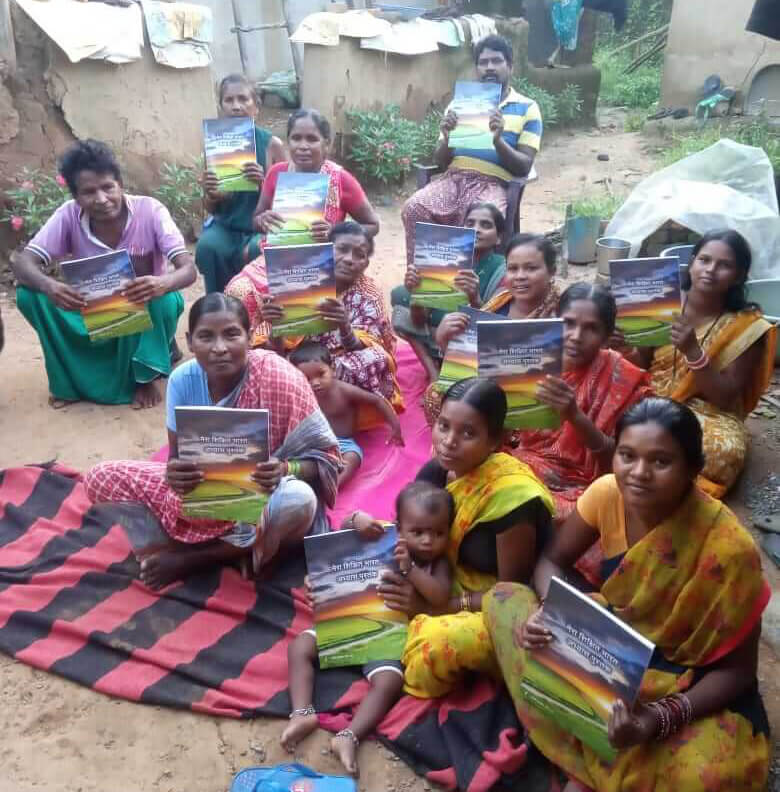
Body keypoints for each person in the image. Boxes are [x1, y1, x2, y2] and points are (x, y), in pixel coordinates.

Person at [486, 397, 771, 792]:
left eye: (660, 461)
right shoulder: (607, 493)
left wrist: (657, 719)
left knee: (707, 776)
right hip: (611, 647)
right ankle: (605, 755)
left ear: (693, 469)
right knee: (504, 600)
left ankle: (588, 757)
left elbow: (737, 672)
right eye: (627, 455)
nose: (639, 473)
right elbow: (551, 561)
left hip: (684, 677)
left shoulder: (728, 551)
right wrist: (555, 615)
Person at [83, 294, 341, 589]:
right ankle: (232, 550)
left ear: (249, 336)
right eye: (206, 337)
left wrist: (284, 468)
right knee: (99, 478)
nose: (219, 348)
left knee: (299, 500)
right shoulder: (182, 380)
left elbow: (328, 459)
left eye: (232, 334)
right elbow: (176, 459)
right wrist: (176, 473)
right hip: (201, 499)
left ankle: (193, 559)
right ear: (190, 342)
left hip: (262, 502)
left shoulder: (281, 378)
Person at [351, 378, 554, 699]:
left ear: (494, 442)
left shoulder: (514, 499)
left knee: (440, 647)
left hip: (486, 603)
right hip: (433, 577)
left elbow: (511, 594)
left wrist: (438, 606)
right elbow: (403, 535)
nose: (448, 441)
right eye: (443, 426)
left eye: (468, 433)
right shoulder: (436, 473)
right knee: (348, 593)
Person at [282, 481, 453, 777]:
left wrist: (410, 569)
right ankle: (302, 713)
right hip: (348, 626)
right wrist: (356, 520)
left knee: (390, 681)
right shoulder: (382, 539)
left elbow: (440, 595)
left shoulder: (437, 563)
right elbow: (342, 539)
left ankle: (349, 736)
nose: (428, 541)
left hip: (385, 638)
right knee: (299, 647)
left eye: (439, 533)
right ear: (399, 527)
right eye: (418, 532)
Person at [12, 139, 196, 409]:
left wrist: (163, 282)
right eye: (88, 192)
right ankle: (69, 382)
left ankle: (144, 377)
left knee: (166, 300)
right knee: (29, 295)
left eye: (108, 187)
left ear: (120, 184)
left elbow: (188, 269)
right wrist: (50, 286)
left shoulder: (150, 211)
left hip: (142, 311)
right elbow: (23, 262)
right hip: (93, 311)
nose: (101, 199)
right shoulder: (68, 215)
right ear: (75, 197)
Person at [622, 229, 776, 499]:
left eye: (724, 265)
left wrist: (693, 352)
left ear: (739, 276)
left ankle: (646, 468)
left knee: (721, 451)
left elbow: (726, 398)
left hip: (706, 412)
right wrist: (623, 349)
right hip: (649, 398)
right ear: (691, 263)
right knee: (600, 412)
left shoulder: (746, 326)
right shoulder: (661, 301)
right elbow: (641, 364)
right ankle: (658, 466)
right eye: (704, 260)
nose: (711, 270)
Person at [509, 282, 652, 523]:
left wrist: (575, 415)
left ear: (607, 336)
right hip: (520, 462)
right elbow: (507, 433)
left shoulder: (624, 381)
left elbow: (619, 463)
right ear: (556, 320)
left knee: (536, 510)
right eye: (569, 323)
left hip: (580, 486)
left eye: (591, 329)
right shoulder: (530, 357)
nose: (576, 337)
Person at [401, 34, 542, 268]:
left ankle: (475, 287)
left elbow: (524, 165)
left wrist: (498, 141)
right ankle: (425, 282)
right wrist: (447, 138)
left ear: (510, 66)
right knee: (414, 207)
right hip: (453, 178)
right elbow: (441, 161)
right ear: (477, 68)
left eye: (497, 61)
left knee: (481, 222)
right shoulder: (461, 104)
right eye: (483, 62)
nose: (489, 67)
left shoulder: (527, 108)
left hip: (493, 183)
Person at [225, 109, 379, 315]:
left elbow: (372, 225)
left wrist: (335, 233)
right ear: (288, 142)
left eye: (312, 139)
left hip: (324, 261)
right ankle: (260, 343)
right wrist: (263, 219)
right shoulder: (277, 173)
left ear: (327, 144)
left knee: (311, 308)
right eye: (296, 138)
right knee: (239, 291)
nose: (303, 146)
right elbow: (256, 219)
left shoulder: (341, 179)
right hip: (279, 258)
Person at [250, 222, 403, 413]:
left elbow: (378, 346)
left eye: (359, 255)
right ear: (326, 250)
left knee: (376, 359)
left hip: (336, 367)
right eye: (342, 249)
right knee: (259, 359)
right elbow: (276, 348)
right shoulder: (298, 278)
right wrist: (276, 326)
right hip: (296, 360)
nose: (349, 259)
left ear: (365, 264)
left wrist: (344, 326)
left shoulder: (369, 295)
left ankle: (313, 404)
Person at [421, 232, 560, 426]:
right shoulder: (501, 299)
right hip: (485, 389)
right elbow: (470, 362)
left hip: (529, 404)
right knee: (435, 395)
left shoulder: (561, 315)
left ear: (552, 271)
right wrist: (445, 341)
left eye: (531, 268)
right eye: (513, 268)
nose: (520, 276)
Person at [391, 201, 508, 382]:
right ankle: (433, 372)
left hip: (472, 341)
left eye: (486, 225)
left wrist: (475, 299)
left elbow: (497, 329)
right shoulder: (444, 257)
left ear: (498, 237)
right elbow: (419, 320)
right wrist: (418, 295)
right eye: (470, 224)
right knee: (401, 296)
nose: (476, 229)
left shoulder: (502, 269)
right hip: (436, 332)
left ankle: (454, 367)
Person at [195, 74, 286, 294]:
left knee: (258, 249)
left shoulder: (272, 145)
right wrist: (211, 193)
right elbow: (213, 207)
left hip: (263, 226)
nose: (236, 106)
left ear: (256, 106)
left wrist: (263, 182)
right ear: (221, 106)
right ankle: (220, 309)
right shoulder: (217, 146)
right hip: (227, 226)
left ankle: (261, 313)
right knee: (208, 246)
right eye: (229, 100)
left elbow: (287, 201)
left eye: (243, 99)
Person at [290, 341, 404, 490]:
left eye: (321, 374)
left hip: (343, 444)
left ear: (333, 370)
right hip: (314, 442)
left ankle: (333, 485)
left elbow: (376, 400)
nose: (315, 383)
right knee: (293, 456)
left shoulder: (343, 390)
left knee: (354, 456)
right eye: (307, 378)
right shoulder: (302, 395)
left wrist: (395, 426)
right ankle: (301, 481)